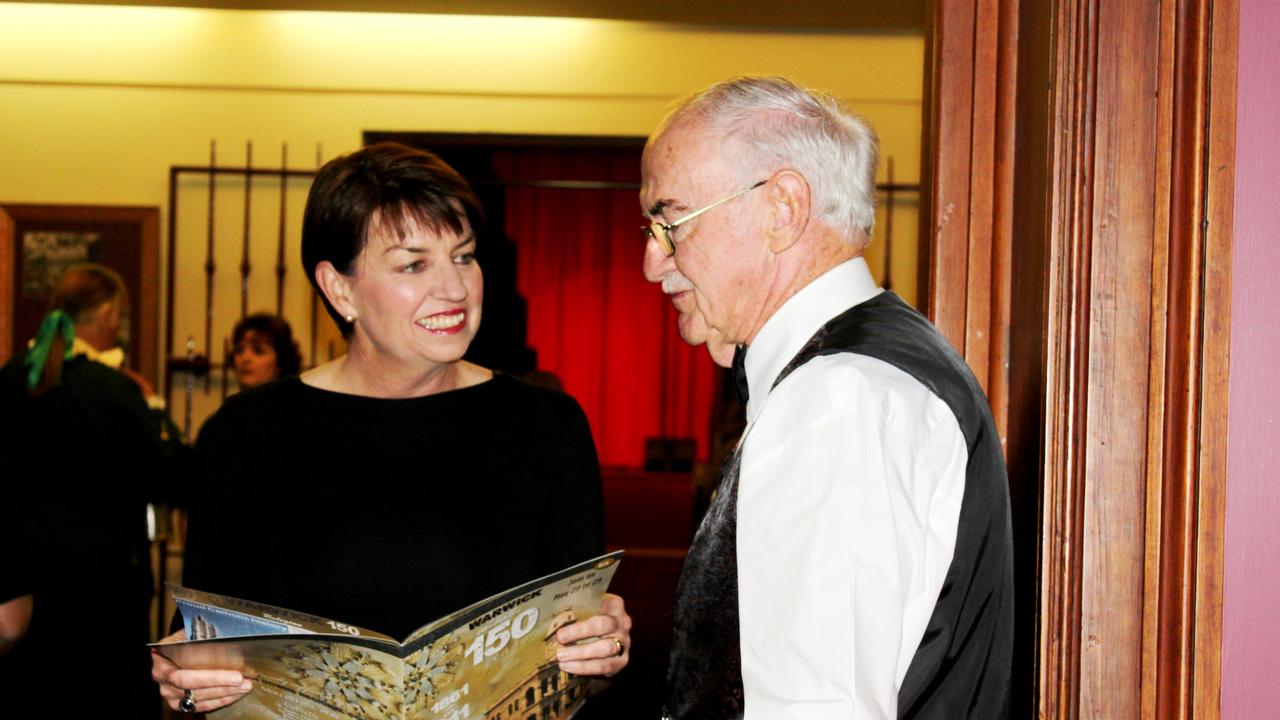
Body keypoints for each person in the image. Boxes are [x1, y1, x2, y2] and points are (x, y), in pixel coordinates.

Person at [152, 142, 631, 715]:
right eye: (413, 264)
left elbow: (578, 677)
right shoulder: (248, 436)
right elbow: (202, 651)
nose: (455, 289)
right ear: (340, 289)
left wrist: (599, 653)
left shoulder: (546, 426)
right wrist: (187, 680)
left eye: (464, 256)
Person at [641, 76, 1014, 719]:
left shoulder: (839, 399)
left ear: (782, 208)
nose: (654, 260)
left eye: (672, 222)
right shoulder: (868, 368)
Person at [0, 263, 168, 718]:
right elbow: (161, 474)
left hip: (24, 581)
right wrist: (153, 411)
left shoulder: (8, 381)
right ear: (110, 314)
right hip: (103, 590)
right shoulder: (114, 389)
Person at [229, 313, 303, 389]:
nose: (245, 358)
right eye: (239, 350)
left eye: (258, 351)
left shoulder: (300, 400)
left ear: (281, 360)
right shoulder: (233, 400)